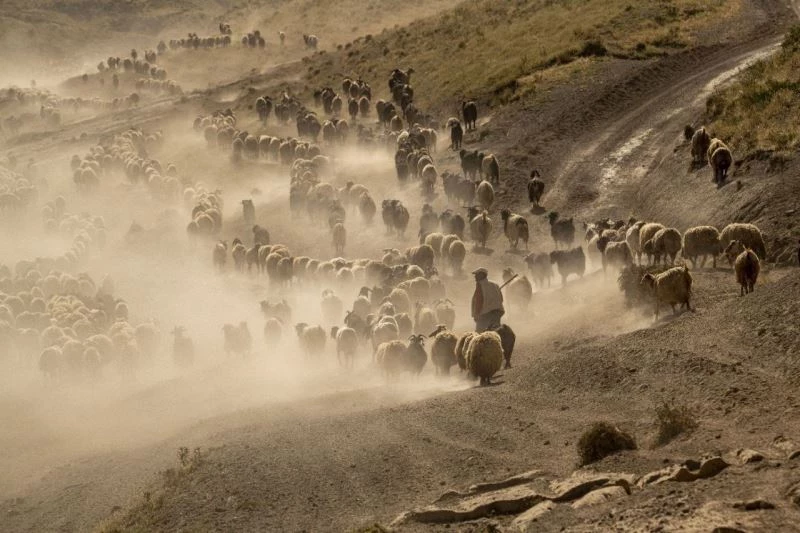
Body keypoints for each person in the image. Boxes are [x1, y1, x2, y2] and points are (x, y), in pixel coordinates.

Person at [471, 267, 505, 333]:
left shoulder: (480, 285)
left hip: (486, 313)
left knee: (479, 333)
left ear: (481, 275)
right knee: (495, 331)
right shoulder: (495, 284)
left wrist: (476, 314)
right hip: (498, 312)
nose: (475, 277)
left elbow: (479, 301)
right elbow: (501, 299)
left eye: (476, 275)